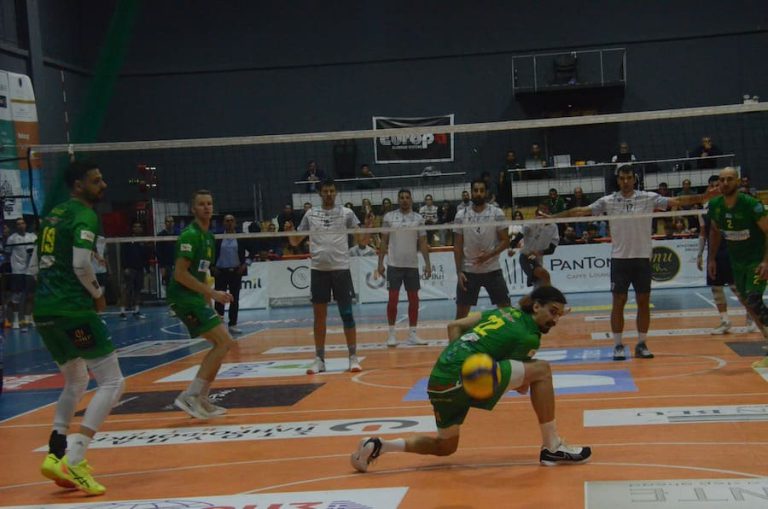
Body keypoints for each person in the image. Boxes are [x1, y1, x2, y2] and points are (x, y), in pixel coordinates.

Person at [350, 286, 591, 472]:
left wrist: (459, 356)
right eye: (552, 312)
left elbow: (455, 325)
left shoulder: (504, 311)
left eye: (559, 315)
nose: (555, 320)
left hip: (439, 379)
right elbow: (523, 385)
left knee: (445, 446)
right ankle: (552, 447)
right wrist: (475, 371)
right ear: (536, 306)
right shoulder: (529, 336)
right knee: (543, 370)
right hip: (462, 377)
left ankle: (379, 445)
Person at [555, 164, 715, 361]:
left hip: (642, 259)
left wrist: (703, 197)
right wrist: (554, 217)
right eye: (622, 178)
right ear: (617, 180)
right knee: (618, 303)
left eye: (628, 178)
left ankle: (642, 343)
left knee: (643, 302)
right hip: (620, 260)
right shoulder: (608, 200)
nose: (625, 181)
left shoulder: (648, 197)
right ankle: (618, 345)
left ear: (634, 179)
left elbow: (678, 200)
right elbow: (581, 211)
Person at [32, 161, 126, 495]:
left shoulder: (54, 214)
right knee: (113, 381)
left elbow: (38, 263)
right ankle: (75, 459)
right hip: (72, 309)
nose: (103, 185)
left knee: (75, 380)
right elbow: (81, 264)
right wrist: (98, 295)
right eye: (96, 181)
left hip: (44, 310)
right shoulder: (84, 215)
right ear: (78, 186)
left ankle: (55, 453)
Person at [168, 190, 236, 419]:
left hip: (196, 298)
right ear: (193, 209)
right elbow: (180, 274)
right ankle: (190, 395)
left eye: (209, 203)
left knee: (223, 343)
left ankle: (202, 398)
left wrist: (209, 304)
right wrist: (213, 293)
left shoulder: (209, 237)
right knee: (224, 342)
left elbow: (202, 274)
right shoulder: (190, 236)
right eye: (201, 204)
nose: (207, 207)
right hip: (183, 297)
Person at [289, 179, 362, 374]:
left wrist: (368, 228)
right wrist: (288, 231)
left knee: (347, 314)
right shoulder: (310, 214)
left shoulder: (347, 213)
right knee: (319, 317)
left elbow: (361, 239)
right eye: (325, 191)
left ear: (336, 192)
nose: (329, 194)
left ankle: (353, 357)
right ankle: (319, 359)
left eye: (332, 191)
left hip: (341, 269)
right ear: (320, 193)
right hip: (318, 270)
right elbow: (295, 241)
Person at [706, 167, 768, 368]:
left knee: (754, 299)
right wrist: (711, 259)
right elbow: (715, 231)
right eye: (722, 180)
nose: (725, 183)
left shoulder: (751, 204)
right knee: (748, 303)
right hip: (737, 262)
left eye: (729, 179)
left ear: (738, 182)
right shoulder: (715, 205)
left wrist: (766, 261)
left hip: (756, 261)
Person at [697, 175, 757, 334]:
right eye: (712, 186)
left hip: (731, 249)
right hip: (714, 252)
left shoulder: (731, 204)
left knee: (737, 287)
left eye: (717, 185)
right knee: (715, 287)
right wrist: (699, 254)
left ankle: (751, 317)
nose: (714, 188)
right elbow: (703, 233)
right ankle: (725, 321)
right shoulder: (703, 209)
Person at [378, 189, 432, 347]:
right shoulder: (389, 217)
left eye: (407, 197)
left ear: (411, 200)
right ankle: (391, 334)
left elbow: (423, 242)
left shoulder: (418, 218)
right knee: (392, 300)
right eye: (401, 197)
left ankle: (413, 334)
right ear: (398, 200)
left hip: (412, 265)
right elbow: (383, 241)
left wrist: (428, 264)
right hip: (394, 265)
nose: (404, 200)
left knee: (414, 300)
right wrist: (380, 263)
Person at [453, 178, 510, 319]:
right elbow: (457, 245)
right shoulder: (461, 215)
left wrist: (488, 256)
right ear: (471, 192)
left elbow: (505, 241)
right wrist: (459, 271)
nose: (478, 193)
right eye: (475, 190)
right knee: (460, 316)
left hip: (492, 269)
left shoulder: (496, 213)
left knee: (507, 312)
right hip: (469, 271)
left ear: (486, 193)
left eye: (482, 190)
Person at [213, 214, 248, 335]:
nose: (229, 223)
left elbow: (253, 251)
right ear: (223, 223)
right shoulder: (217, 237)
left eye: (231, 220)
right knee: (219, 299)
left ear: (235, 223)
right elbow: (210, 253)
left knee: (234, 299)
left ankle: (233, 324)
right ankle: (219, 325)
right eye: (227, 221)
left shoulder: (241, 236)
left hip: (236, 272)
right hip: (220, 272)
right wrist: (212, 267)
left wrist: (245, 264)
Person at [510, 203, 560, 288]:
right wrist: (511, 248)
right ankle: (549, 293)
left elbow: (552, 249)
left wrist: (539, 252)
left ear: (549, 212)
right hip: (526, 256)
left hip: (537, 258)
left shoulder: (554, 227)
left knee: (540, 285)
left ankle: (538, 291)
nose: (542, 211)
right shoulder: (532, 223)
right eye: (541, 209)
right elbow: (519, 237)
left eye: (545, 209)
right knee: (544, 275)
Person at [6, 217, 37, 330]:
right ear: (16, 226)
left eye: (22, 223)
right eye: (18, 224)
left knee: (30, 295)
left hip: (30, 270)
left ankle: (28, 319)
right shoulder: (12, 238)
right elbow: (8, 253)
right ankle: (15, 320)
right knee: (17, 296)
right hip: (17, 270)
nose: (21, 225)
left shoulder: (33, 237)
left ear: (25, 225)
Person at [118, 222, 150, 320]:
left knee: (138, 290)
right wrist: (125, 268)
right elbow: (123, 254)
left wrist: (147, 270)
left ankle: (136, 311)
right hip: (129, 269)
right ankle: (122, 312)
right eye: (135, 227)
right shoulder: (128, 240)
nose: (137, 228)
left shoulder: (143, 241)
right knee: (126, 290)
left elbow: (146, 257)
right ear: (132, 228)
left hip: (140, 269)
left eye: (139, 227)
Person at [157, 216, 176, 298]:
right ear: (165, 223)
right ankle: (171, 302)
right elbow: (159, 252)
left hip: (177, 264)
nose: (170, 223)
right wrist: (162, 266)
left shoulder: (177, 234)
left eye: (172, 221)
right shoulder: (160, 235)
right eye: (168, 221)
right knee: (169, 284)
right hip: (167, 265)